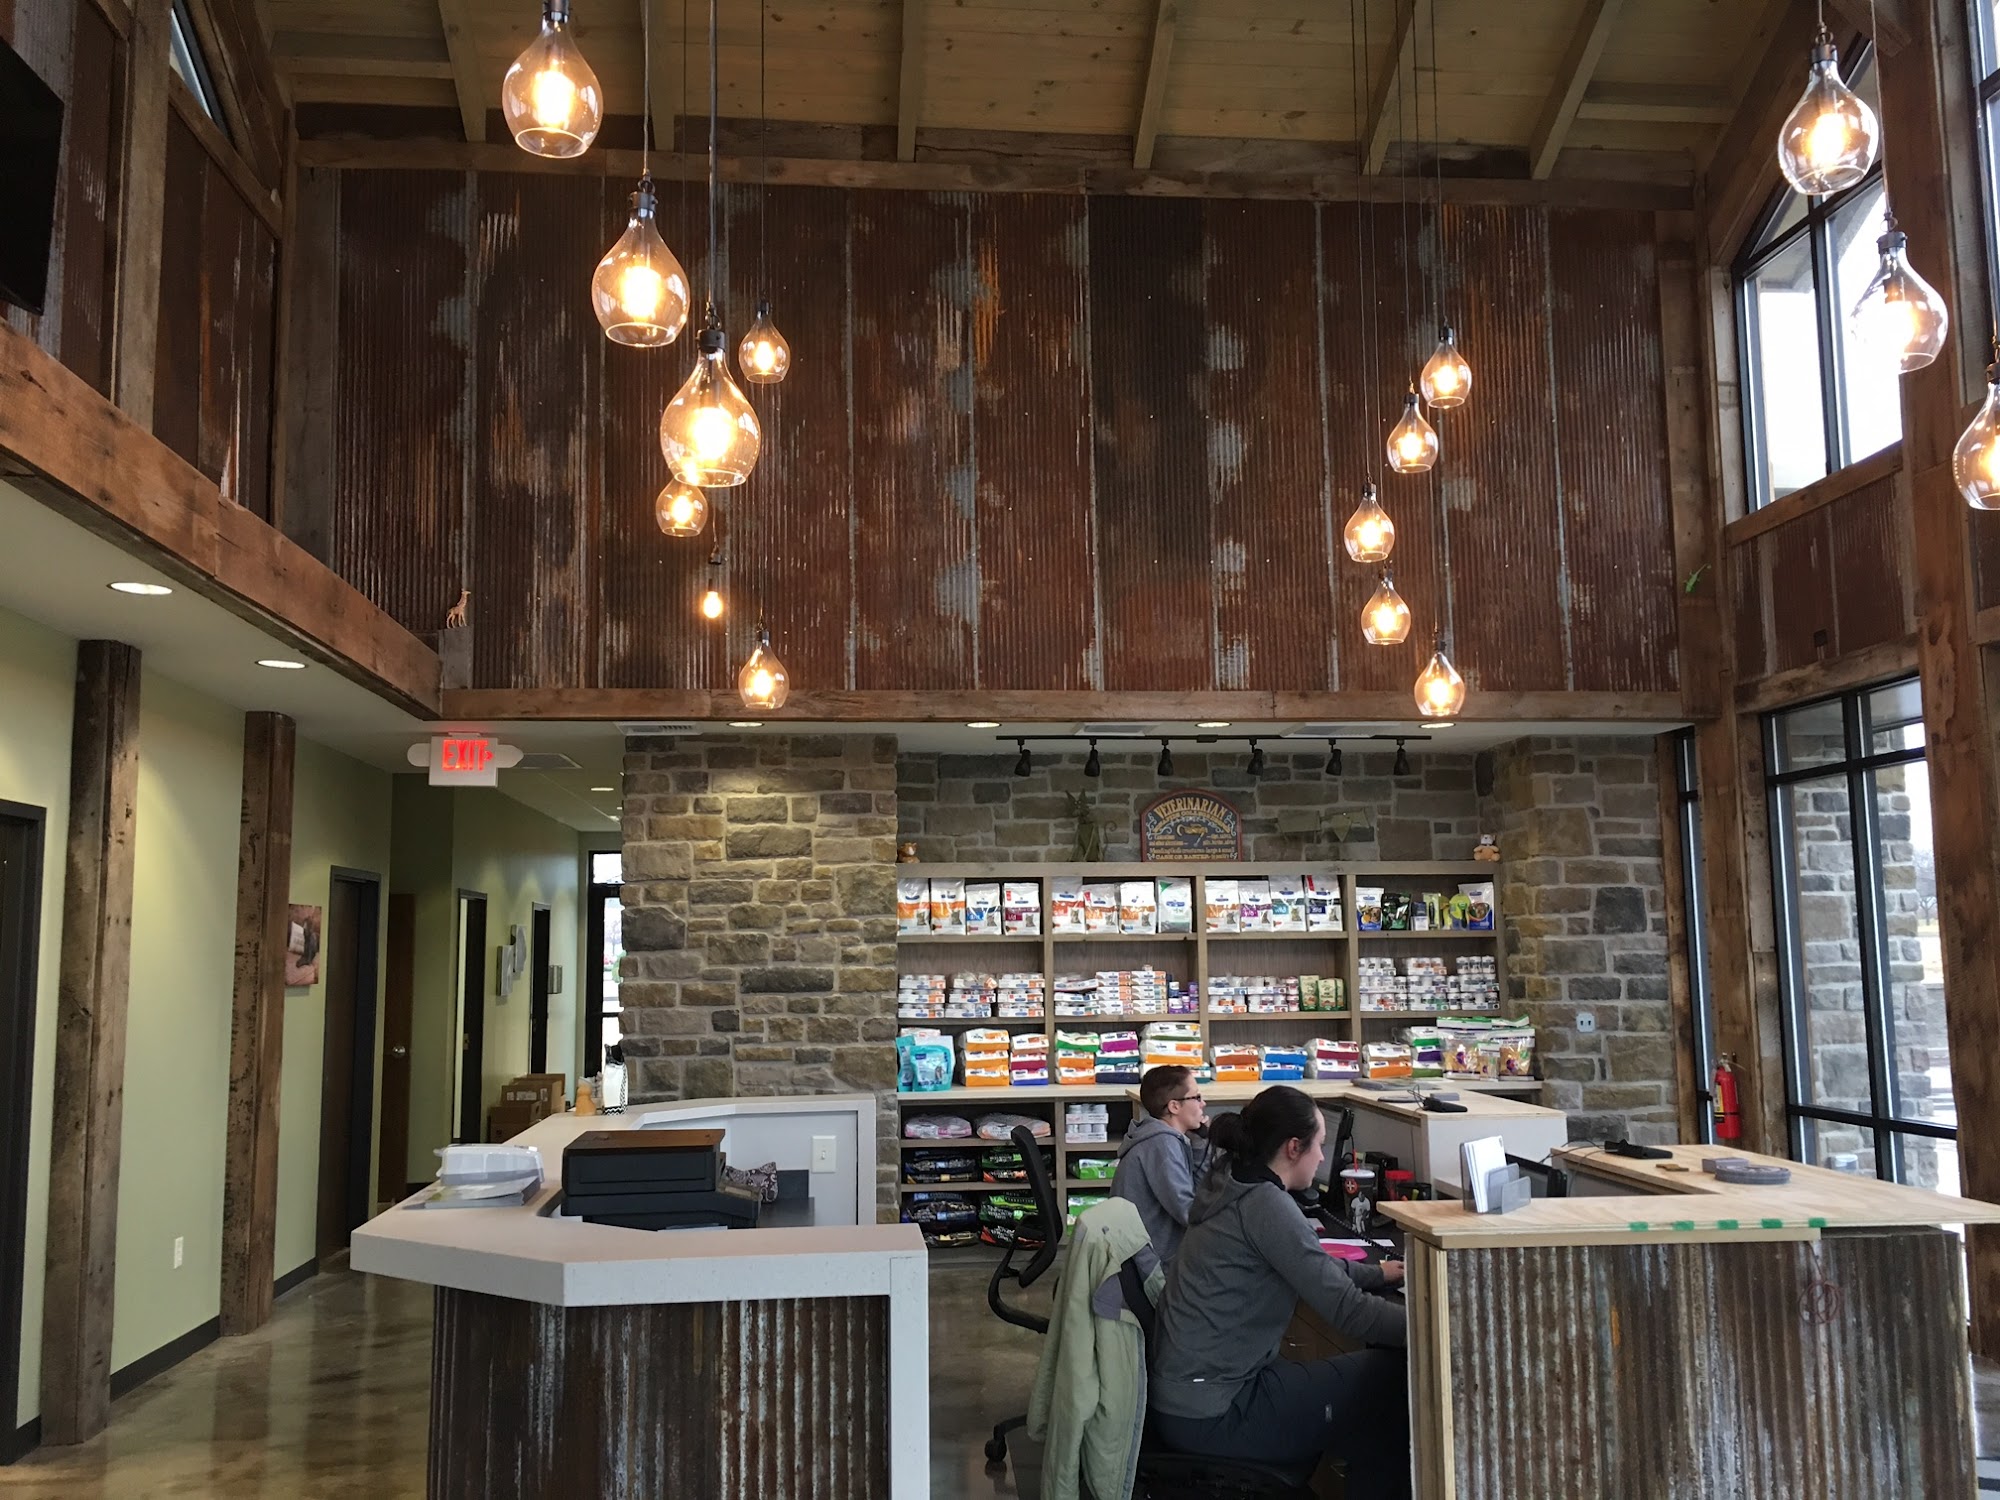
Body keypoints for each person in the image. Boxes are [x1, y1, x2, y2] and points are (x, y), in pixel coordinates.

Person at [1148, 1085, 1411, 1499]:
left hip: (1191, 1393)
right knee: (1391, 1375)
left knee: (1367, 1398)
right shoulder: (1265, 1205)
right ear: (1293, 1148)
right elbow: (1351, 1312)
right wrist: (1440, 1329)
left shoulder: (1231, 1179)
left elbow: (1305, 1263)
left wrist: (1376, 1274)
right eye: (1319, 1145)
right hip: (1215, 1411)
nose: (1322, 1158)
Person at [1111, 1064, 1208, 1264]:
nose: (1203, 1104)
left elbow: (1196, 1194)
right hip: (1153, 1265)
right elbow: (1190, 1214)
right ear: (1174, 1106)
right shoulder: (1162, 1145)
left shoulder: (1164, 1138)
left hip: (1158, 1254)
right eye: (1196, 1097)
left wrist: (1199, 1144)